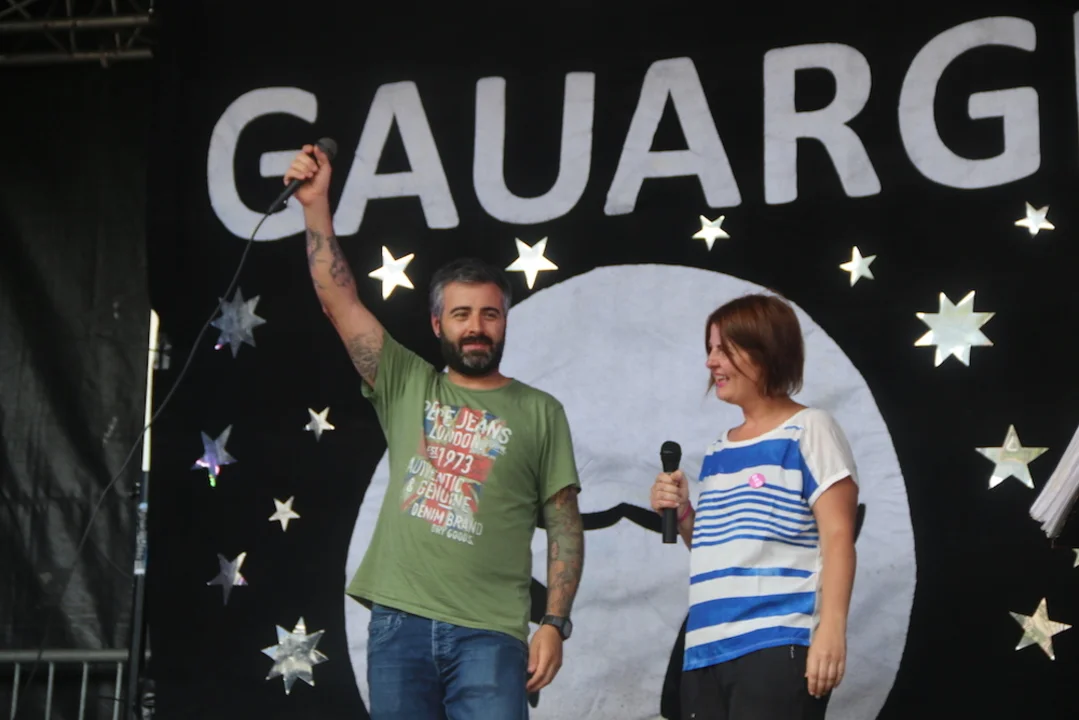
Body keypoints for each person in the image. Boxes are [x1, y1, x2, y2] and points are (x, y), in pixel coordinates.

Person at [284, 144, 584, 719]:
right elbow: (337, 299)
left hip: (492, 632)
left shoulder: (541, 410)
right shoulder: (405, 382)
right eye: (461, 314)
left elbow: (565, 525)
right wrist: (315, 205)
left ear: (504, 322)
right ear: (437, 323)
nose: (476, 327)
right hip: (400, 625)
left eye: (489, 314)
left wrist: (554, 622)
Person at [650, 293, 858, 720]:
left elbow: (839, 535)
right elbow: (717, 549)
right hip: (706, 650)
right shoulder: (719, 448)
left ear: (766, 351)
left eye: (724, 349)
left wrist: (832, 629)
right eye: (710, 349)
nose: (711, 362)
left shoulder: (810, 429)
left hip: (776, 643)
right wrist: (684, 513)